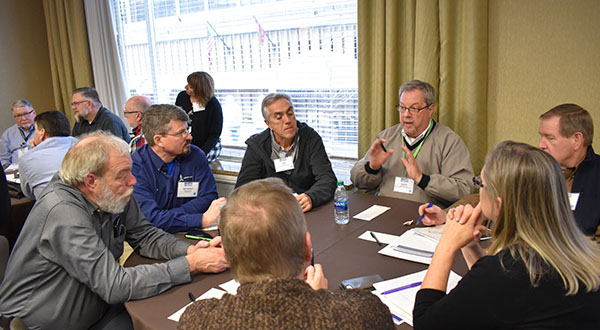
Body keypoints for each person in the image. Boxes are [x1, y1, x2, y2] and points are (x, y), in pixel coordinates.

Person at [0, 132, 228, 330]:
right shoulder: (63, 212)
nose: (133, 181)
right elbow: (114, 285)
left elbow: (145, 235)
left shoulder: (112, 190)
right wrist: (192, 265)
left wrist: (190, 250)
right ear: (91, 181)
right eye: (123, 174)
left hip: (96, 306)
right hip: (42, 322)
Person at [412, 141, 600, 329]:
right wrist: (470, 246)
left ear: (499, 205)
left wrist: (446, 245)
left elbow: (426, 323)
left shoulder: (509, 271)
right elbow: (489, 292)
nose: (478, 190)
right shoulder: (583, 255)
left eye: (480, 184)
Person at [178, 177, 394, 330]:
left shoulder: (197, 320)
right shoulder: (363, 316)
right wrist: (316, 300)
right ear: (308, 248)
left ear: (226, 252)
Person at [420, 104, 600, 237]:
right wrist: (447, 213)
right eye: (541, 136)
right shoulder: (538, 166)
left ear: (577, 140)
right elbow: (489, 193)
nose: (540, 145)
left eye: (550, 138)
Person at [350, 80, 474, 208]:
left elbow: (463, 190)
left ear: (430, 109)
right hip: (383, 211)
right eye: (402, 108)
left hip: (425, 218)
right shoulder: (386, 137)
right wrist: (372, 168)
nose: (406, 115)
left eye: (414, 108)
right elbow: (357, 181)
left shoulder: (449, 141)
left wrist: (422, 179)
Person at [235, 93, 336, 212]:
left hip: (306, 209)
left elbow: (327, 178)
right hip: (273, 212)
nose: (288, 120)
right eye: (279, 117)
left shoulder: (310, 138)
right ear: (268, 124)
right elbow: (243, 189)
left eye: (290, 113)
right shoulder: (257, 146)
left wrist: (311, 197)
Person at [131, 104, 225, 233]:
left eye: (187, 130)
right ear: (159, 140)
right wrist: (200, 219)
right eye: (181, 133)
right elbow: (151, 220)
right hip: (154, 239)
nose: (189, 137)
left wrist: (168, 216)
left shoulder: (195, 155)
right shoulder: (136, 168)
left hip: (192, 233)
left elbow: (209, 197)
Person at [18, 110, 78, 200]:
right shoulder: (82, 148)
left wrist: (33, 152)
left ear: (42, 133)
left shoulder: (27, 159)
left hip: (51, 209)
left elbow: (29, 193)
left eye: (35, 130)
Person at [175, 71, 223, 161]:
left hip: (207, 145)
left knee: (193, 161)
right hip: (185, 142)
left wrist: (202, 152)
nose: (185, 87)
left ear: (200, 90)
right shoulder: (182, 97)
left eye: (190, 86)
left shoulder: (213, 105)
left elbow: (214, 135)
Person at [0, 99, 36, 167]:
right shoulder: (8, 134)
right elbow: (3, 159)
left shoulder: (43, 130)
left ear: (34, 113)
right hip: (15, 172)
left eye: (26, 114)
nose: (23, 118)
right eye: (19, 116)